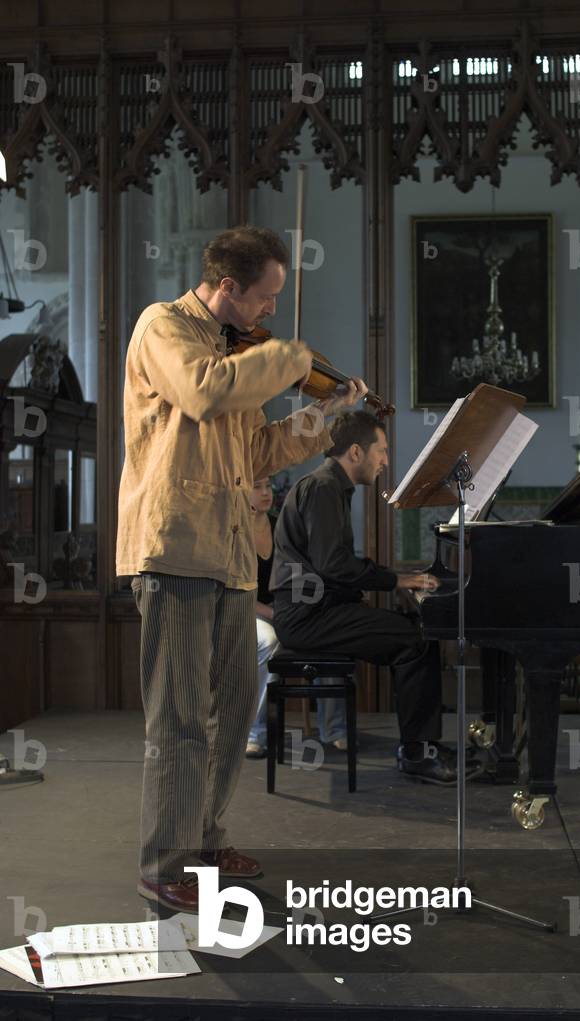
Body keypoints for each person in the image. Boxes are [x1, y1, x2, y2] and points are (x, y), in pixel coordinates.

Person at [116, 225, 367, 913]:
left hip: (227, 553)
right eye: (263, 299)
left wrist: (325, 411)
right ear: (227, 286)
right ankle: (164, 863)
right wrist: (290, 359)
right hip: (173, 547)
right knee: (178, 717)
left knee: (236, 707)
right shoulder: (164, 328)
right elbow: (202, 393)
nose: (269, 315)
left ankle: (201, 840)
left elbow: (260, 449)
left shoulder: (240, 355)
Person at [270, 410, 457, 785]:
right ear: (356, 452)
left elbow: (332, 566)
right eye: (382, 451)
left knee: (412, 633)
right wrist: (397, 580)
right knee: (416, 640)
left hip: (315, 611)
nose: (386, 461)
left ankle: (423, 745)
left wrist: (391, 582)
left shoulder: (328, 486)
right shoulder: (323, 487)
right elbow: (334, 565)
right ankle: (418, 753)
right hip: (307, 618)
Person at [246, 476, 348, 758]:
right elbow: (231, 592)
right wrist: (273, 613)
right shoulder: (231, 530)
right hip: (244, 613)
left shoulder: (281, 525)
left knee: (325, 633)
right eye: (258, 486)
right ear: (240, 489)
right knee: (269, 641)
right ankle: (256, 733)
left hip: (284, 608)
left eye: (268, 486)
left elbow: (303, 570)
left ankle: (334, 729)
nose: (266, 493)